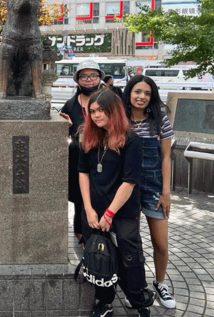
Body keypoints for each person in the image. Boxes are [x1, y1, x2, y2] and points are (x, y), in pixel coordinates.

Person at [78, 88, 154, 317]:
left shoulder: (130, 140)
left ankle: (138, 299)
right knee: (99, 255)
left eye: (101, 110)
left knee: (129, 253)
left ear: (114, 110)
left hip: (122, 209)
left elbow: (129, 182)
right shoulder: (87, 135)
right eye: (92, 111)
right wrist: (89, 209)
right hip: (94, 207)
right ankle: (104, 301)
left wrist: (109, 214)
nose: (96, 115)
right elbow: (83, 173)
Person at [122, 74, 176, 310]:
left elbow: (166, 157)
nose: (141, 97)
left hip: (154, 186)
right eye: (137, 92)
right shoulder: (120, 118)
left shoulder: (159, 120)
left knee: (161, 244)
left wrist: (166, 192)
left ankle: (160, 283)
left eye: (146, 93)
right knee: (130, 243)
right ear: (129, 93)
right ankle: (134, 287)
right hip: (127, 186)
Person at [59, 60, 105, 245]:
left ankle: (102, 231)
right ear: (78, 80)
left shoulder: (109, 100)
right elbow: (63, 134)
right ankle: (81, 233)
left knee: (101, 195)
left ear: (99, 78)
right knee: (80, 198)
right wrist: (67, 126)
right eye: (84, 76)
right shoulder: (70, 105)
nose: (88, 80)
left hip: (103, 158)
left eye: (93, 75)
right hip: (78, 160)